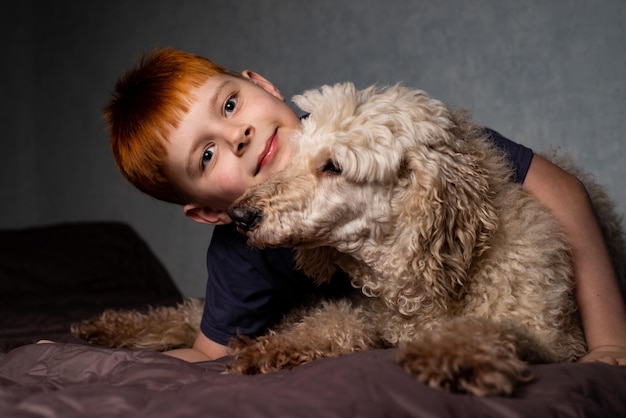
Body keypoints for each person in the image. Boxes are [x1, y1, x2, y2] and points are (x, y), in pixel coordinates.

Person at [105, 47, 626, 365]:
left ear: (261, 85)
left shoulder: (369, 126)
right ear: (211, 212)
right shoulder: (242, 248)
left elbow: (561, 190)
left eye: (230, 104)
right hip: (387, 303)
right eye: (208, 154)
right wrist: (79, 366)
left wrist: (609, 345)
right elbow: (206, 352)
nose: (236, 134)